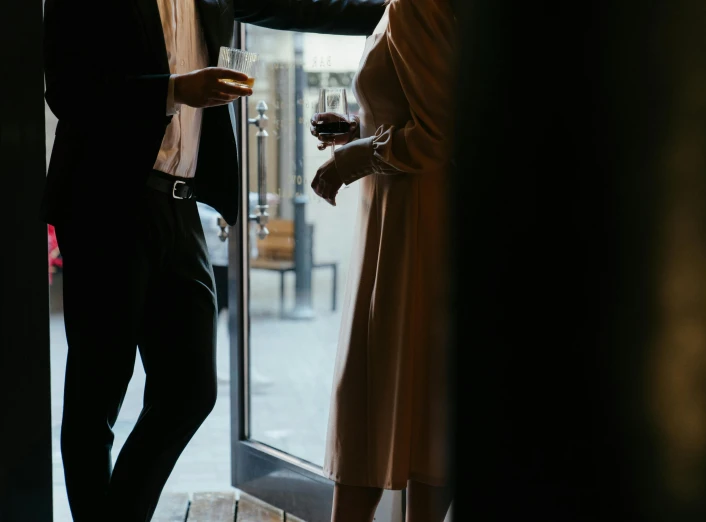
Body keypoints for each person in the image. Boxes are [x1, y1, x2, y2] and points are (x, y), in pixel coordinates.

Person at [41, 0, 385, 520]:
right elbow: (68, 91)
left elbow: (305, 4)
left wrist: (404, 7)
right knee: (96, 397)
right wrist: (175, 89)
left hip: (181, 207)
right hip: (103, 205)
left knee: (191, 391)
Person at [309, 0, 458, 520]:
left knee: (374, 398)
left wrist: (357, 157)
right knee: (420, 403)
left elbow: (440, 133)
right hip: (411, 221)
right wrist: (361, 129)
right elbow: (429, 104)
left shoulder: (417, 5)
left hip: (412, 228)